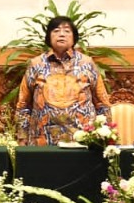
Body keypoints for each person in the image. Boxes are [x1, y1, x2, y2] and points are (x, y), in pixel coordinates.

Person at [16, 16, 112, 146]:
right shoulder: (36, 64)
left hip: (83, 139)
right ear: (49, 37)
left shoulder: (87, 63)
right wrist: (22, 138)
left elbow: (102, 102)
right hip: (42, 139)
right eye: (56, 30)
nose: (61, 34)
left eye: (67, 31)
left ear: (74, 37)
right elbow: (23, 105)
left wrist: (107, 135)